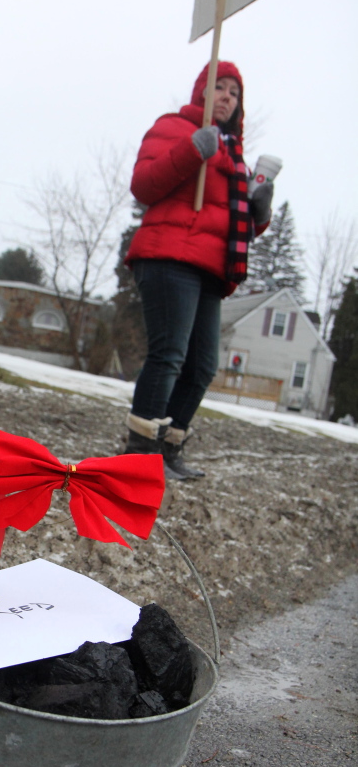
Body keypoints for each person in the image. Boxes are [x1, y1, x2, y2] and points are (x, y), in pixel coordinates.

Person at [123, 61, 273, 479]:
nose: (227, 96)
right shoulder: (173, 128)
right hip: (168, 255)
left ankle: (168, 449)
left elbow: (235, 222)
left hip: (210, 267)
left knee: (203, 365)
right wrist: (192, 150)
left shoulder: (233, 152)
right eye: (219, 88)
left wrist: (260, 210)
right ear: (201, 93)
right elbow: (143, 185)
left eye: (234, 92)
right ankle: (139, 453)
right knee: (169, 354)